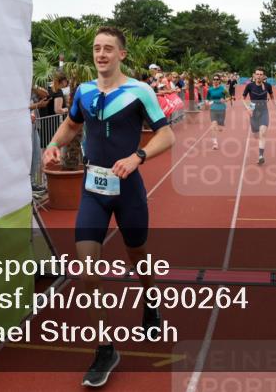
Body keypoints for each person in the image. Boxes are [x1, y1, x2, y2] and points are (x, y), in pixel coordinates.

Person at [43, 27, 175, 387]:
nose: (101, 54)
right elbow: (71, 124)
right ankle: (105, 348)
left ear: (122, 54)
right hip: (93, 189)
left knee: (138, 253)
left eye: (108, 49)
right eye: (96, 49)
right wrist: (53, 144)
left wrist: (138, 156)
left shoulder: (139, 91)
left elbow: (167, 133)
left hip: (128, 188)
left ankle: (151, 299)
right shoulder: (84, 92)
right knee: (86, 270)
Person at [242, 68, 276, 165]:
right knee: (256, 135)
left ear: (263, 76)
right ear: (254, 75)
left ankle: (260, 156)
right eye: (257, 74)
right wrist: (247, 108)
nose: (259, 76)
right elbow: (243, 98)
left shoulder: (268, 86)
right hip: (253, 112)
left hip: (264, 111)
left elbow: (272, 97)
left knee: (262, 133)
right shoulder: (249, 86)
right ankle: (258, 140)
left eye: (261, 74)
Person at [206, 74, 229, 149]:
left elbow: (229, 97)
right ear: (212, 80)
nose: (215, 81)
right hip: (213, 108)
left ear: (219, 81)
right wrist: (207, 102)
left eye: (217, 79)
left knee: (220, 128)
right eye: (214, 79)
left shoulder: (223, 88)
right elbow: (207, 98)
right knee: (213, 125)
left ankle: (221, 125)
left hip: (221, 108)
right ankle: (215, 143)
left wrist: (225, 100)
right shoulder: (210, 89)